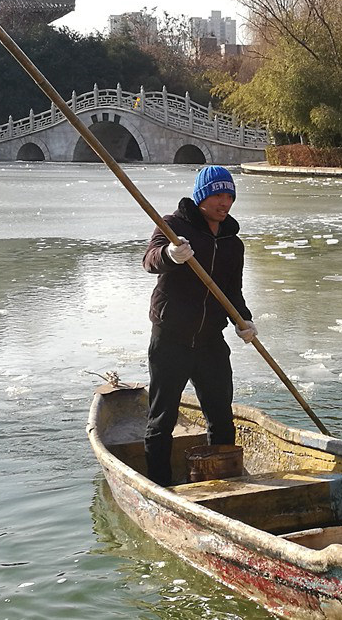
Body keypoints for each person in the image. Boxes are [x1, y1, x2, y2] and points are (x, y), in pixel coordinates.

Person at [141, 165, 258, 486]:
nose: (225, 202)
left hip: (210, 341)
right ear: (203, 196)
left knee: (221, 418)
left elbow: (232, 290)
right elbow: (149, 260)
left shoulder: (233, 243)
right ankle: (160, 486)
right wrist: (169, 253)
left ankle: (221, 483)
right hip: (171, 340)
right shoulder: (172, 226)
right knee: (162, 420)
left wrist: (243, 319)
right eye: (218, 195)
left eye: (230, 196)